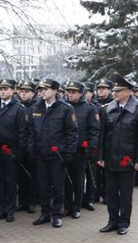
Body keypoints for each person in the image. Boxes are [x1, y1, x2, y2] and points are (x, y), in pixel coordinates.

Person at [98, 73, 138, 235]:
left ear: (129, 92)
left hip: (128, 161)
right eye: (114, 91)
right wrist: (100, 156)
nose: (115, 94)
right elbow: (102, 135)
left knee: (126, 195)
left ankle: (123, 223)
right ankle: (112, 221)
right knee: (111, 193)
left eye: (119, 91)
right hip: (110, 159)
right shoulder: (108, 109)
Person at [25, 78, 77, 228]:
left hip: (57, 155)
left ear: (55, 91)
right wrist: (31, 150)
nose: (42, 92)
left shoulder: (65, 109)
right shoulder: (35, 108)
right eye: (40, 89)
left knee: (58, 186)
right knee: (43, 186)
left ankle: (57, 214)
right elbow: (31, 132)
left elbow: (72, 133)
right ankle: (45, 213)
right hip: (41, 154)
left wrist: (69, 153)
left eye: (46, 89)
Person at [0, 79, 26, 223]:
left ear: (12, 90)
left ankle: (10, 210)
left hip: (10, 149)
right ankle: (1, 209)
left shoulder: (18, 108)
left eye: (6, 89)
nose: (3, 91)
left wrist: (18, 152)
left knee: (10, 181)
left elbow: (22, 131)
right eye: (1, 88)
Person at [63, 81, 99, 218]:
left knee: (78, 180)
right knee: (66, 180)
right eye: (69, 92)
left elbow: (94, 131)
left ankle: (76, 207)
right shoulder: (63, 107)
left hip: (80, 150)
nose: (70, 94)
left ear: (80, 93)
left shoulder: (89, 108)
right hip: (66, 149)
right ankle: (67, 206)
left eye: (73, 92)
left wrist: (90, 148)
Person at [16, 80, 39, 213]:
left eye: (26, 92)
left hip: (32, 148)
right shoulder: (17, 106)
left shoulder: (36, 107)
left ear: (33, 93)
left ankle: (32, 202)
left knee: (32, 176)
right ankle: (22, 201)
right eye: (21, 91)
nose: (23, 94)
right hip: (20, 146)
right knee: (21, 176)